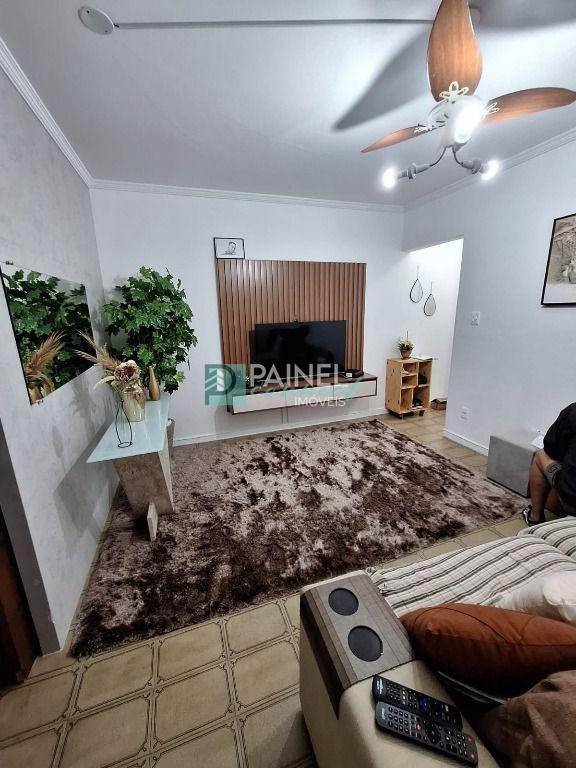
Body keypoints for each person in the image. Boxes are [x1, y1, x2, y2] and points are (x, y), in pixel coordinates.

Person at [522, 403, 576, 525]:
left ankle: (535, 518)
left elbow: (550, 448)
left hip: (572, 500)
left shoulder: (573, 412)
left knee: (541, 455)